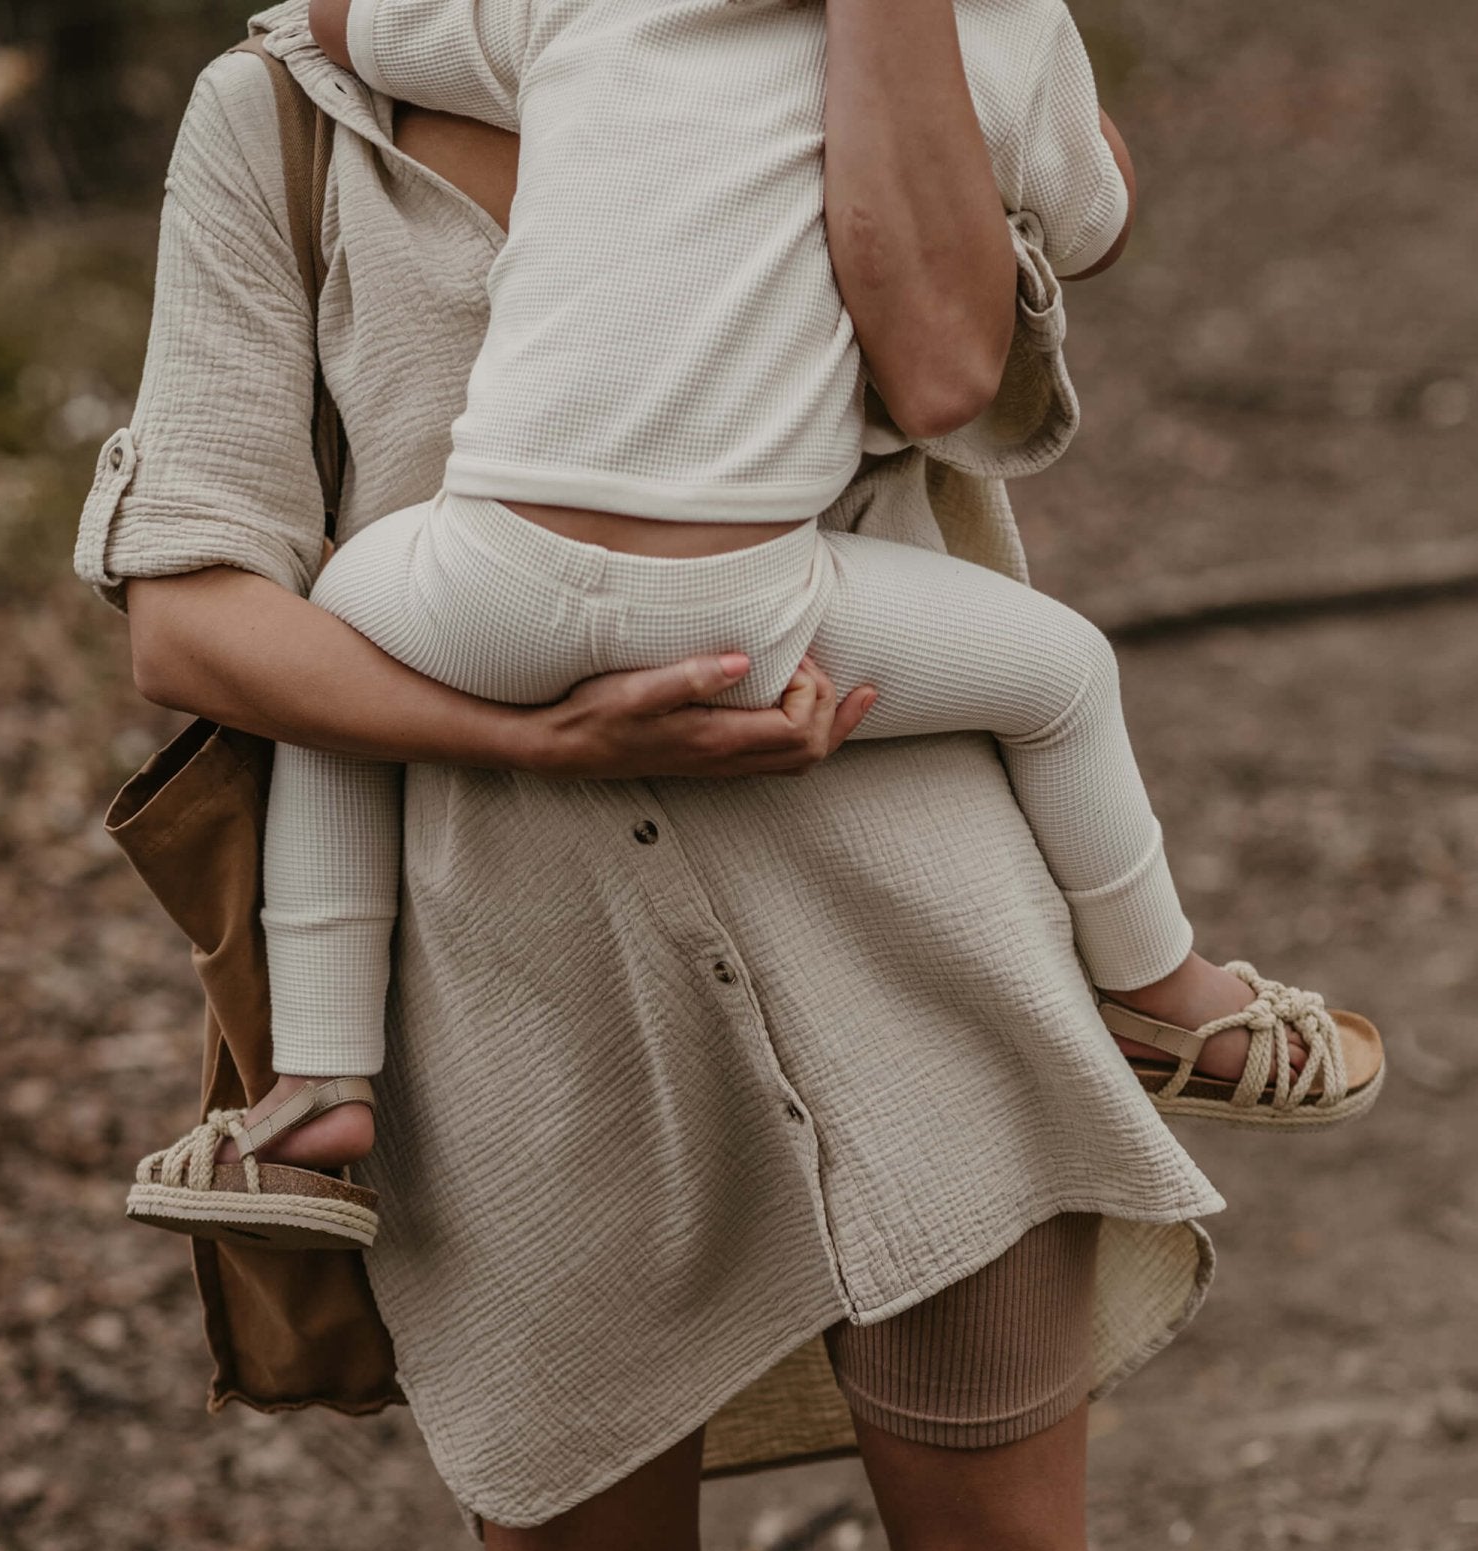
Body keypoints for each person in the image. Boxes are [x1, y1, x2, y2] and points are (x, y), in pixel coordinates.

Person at [80, 3, 1250, 1551]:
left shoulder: (877, 41)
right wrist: (513, 729)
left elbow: (955, 372)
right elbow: (189, 610)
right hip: (521, 1022)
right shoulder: (278, 121)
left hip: (914, 959)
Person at [121, 0, 1382, 1254]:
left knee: (335, 634)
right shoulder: (994, 38)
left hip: (490, 587)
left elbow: (341, 27)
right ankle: (1167, 993)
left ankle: (318, 1084)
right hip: (751, 616)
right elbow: (1094, 218)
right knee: (1061, 671)